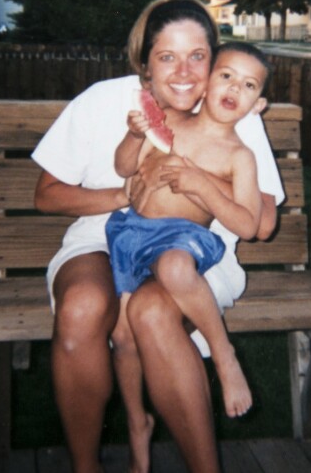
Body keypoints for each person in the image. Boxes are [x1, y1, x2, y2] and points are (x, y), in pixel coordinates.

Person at [32, 0, 285, 473]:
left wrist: (196, 179)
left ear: (215, 60)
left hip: (197, 249)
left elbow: (262, 223)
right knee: (84, 305)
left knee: (149, 310)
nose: (185, 72)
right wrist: (122, 195)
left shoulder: (234, 109)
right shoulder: (106, 101)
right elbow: (46, 193)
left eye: (198, 56)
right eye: (167, 56)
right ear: (144, 64)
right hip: (108, 232)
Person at [108, 42, 272, 420]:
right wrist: (135, 136)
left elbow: (248, 225)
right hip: (131, 234)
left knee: (175, 270)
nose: (234, 89)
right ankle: (137, 421)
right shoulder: (167, 121)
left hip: (183, 237)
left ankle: (224, 356)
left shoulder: (240, 156)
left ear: (258, 105)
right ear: (207, 81)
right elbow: (123, 168)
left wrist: (203, 186)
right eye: (226, 76)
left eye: (249, 86)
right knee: (121, 336)